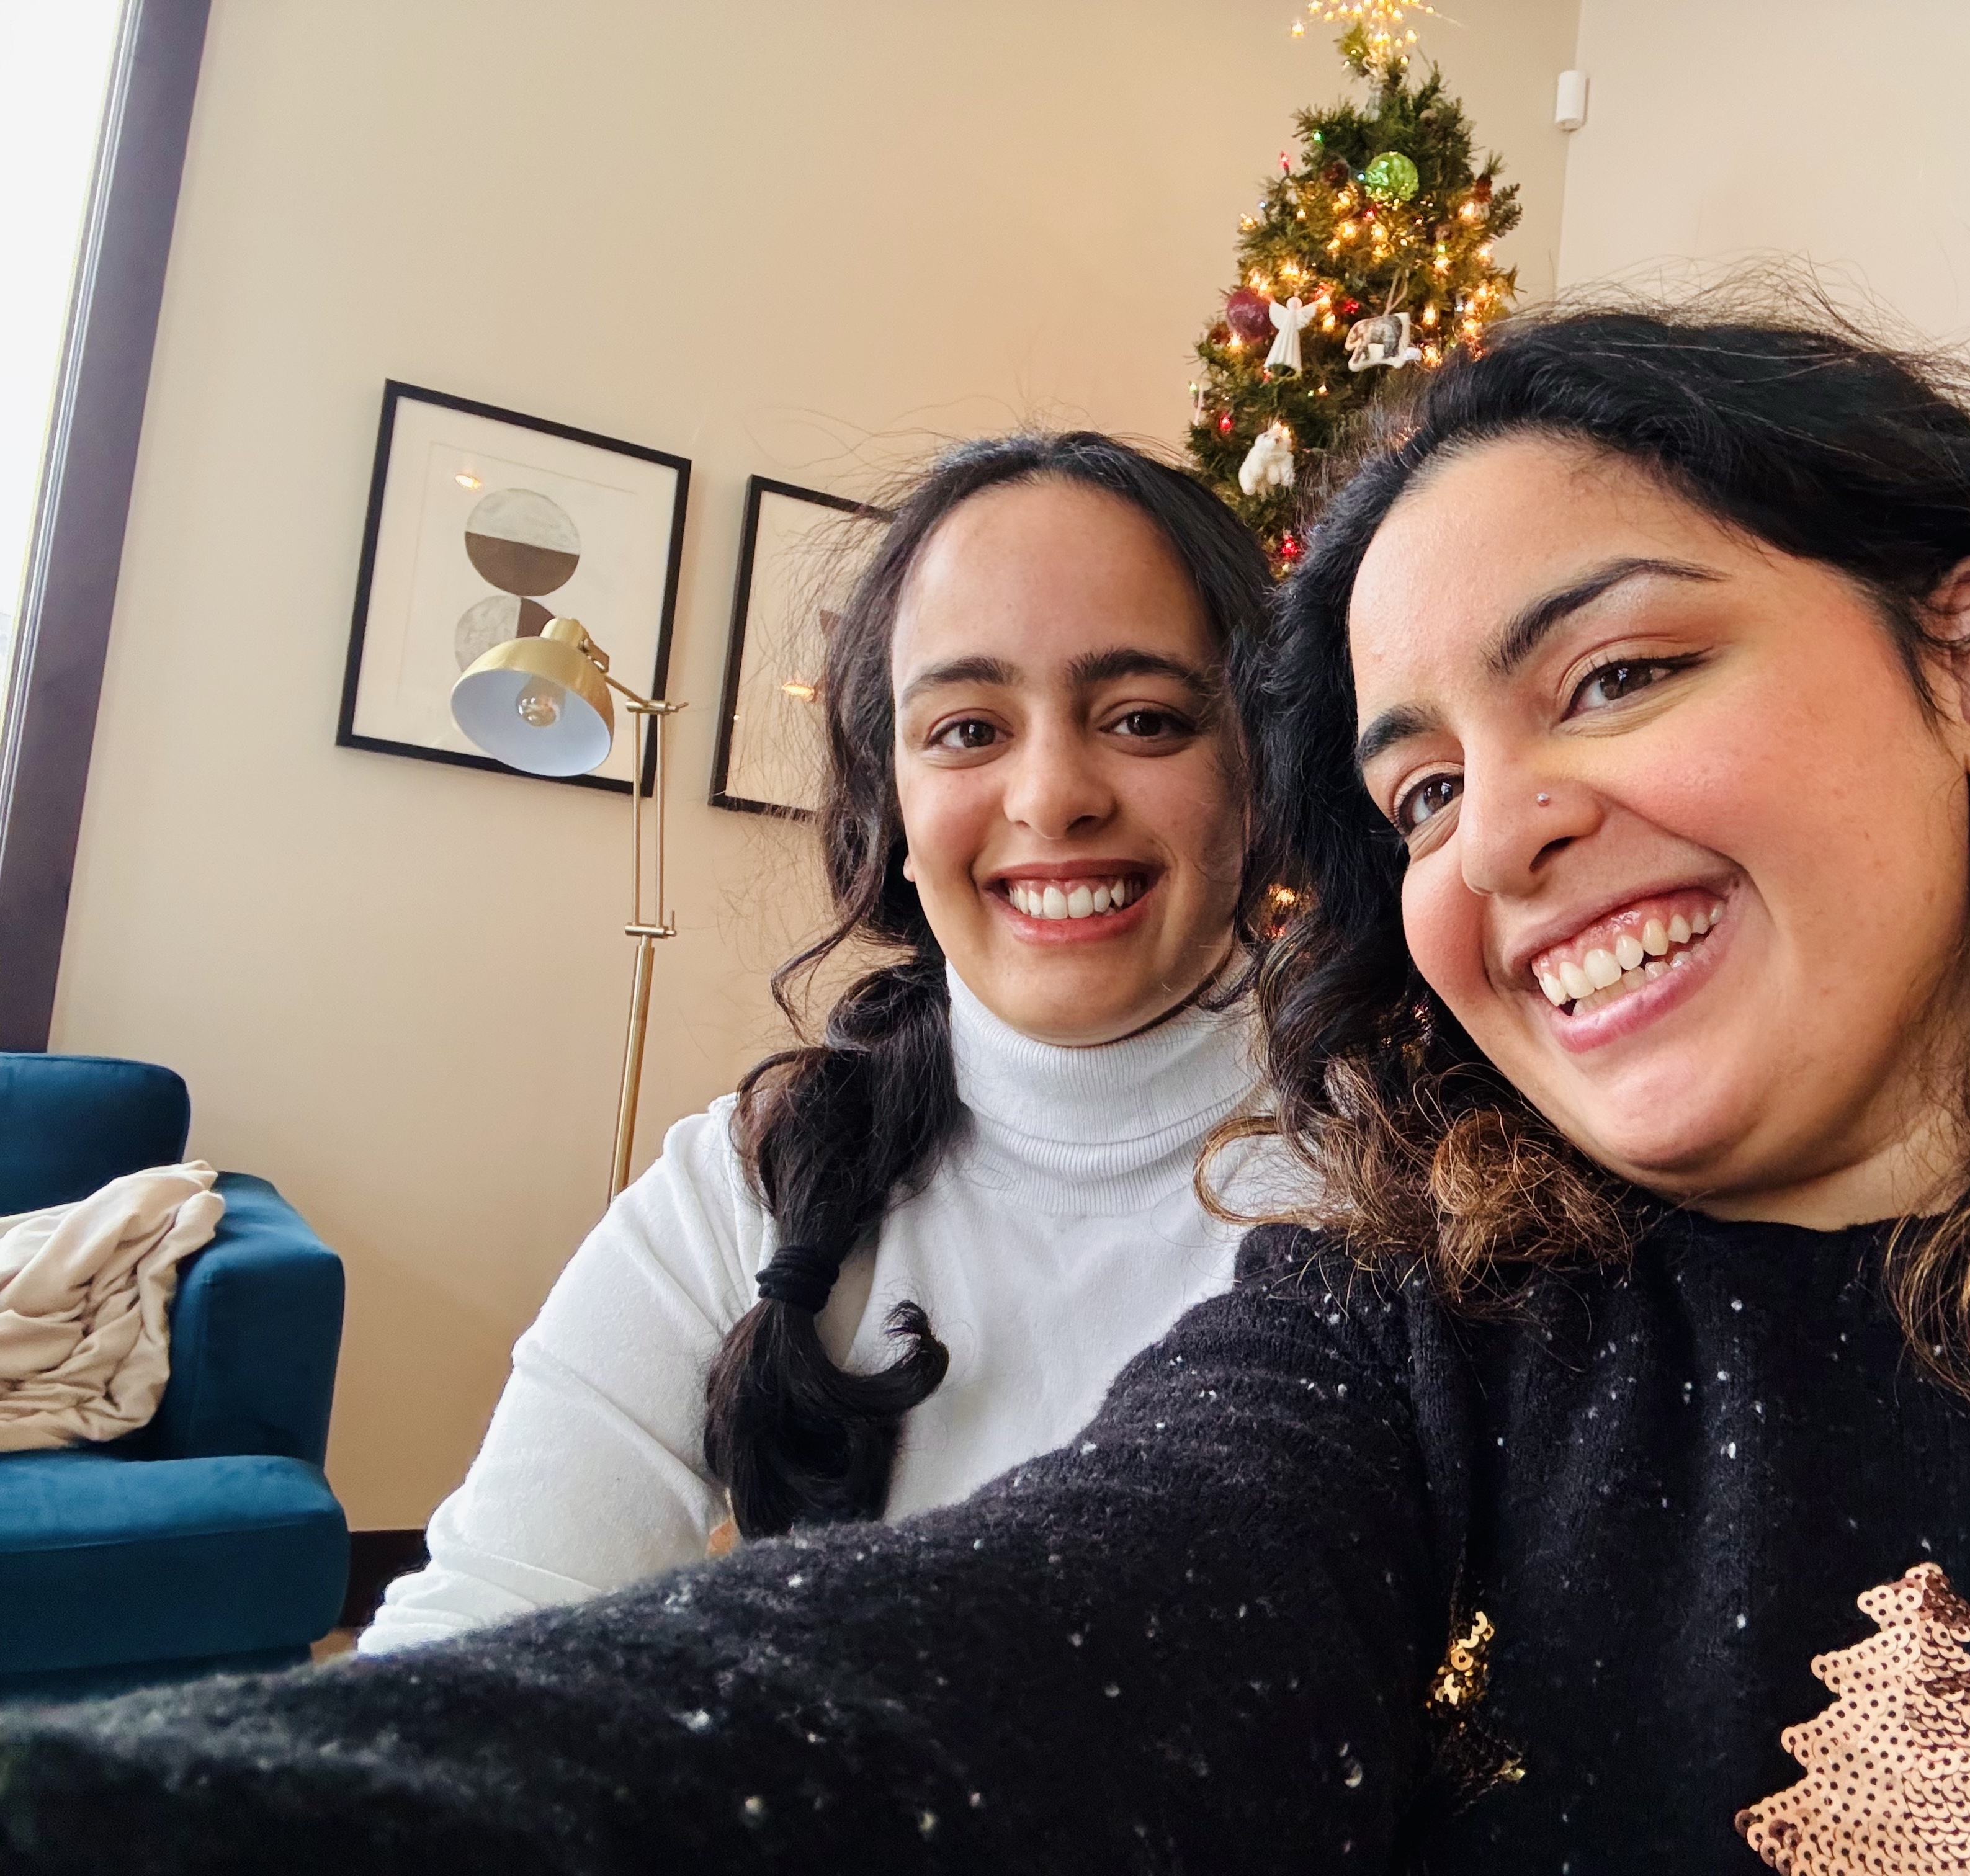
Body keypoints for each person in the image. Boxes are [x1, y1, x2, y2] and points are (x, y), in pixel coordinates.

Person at [4, 306, 1970, 1875]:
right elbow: (1031, 1638)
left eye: (1618, 674)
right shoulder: (1415, 1317)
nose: (1502, 830)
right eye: (1423, 788)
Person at [358, 431, 1280, 1651]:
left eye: (1145, 718)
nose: (1052, 796)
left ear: (1262, 767)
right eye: (968, 729)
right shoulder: (748, 1182)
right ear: (889, 797)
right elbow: (480, 1627)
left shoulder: (1417, 1177)